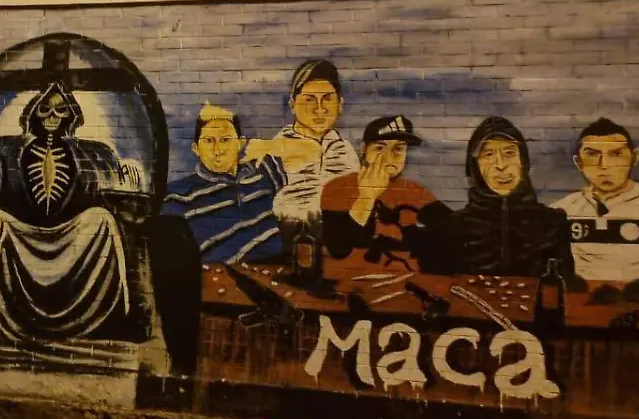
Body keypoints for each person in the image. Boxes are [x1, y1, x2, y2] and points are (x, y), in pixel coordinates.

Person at [0, 81, 148, 341]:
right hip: (23, 235)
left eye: (61, 110)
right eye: (45, 109)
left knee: (102, 219)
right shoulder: (6, 147)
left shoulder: (94, 153)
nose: (52, 116)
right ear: (33, 112)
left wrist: (127, 173)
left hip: (72, 237)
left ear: (71, 115)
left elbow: (116, 187)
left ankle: (122, 317)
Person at [438, 116, 574, 278]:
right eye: (488, 155)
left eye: (509, 153)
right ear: (475, 166)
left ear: (523, 161)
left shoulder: (552, 223)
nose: (501, 165)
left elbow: (566, 286)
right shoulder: (453, 228)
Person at [551, 118, 639, 283]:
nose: (605, 165)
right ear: (578, 162)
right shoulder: (560, 211)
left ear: (634, 157)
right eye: (592, 154)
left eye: (616, 154)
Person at [320, 115, 450, 270]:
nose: (389, 157)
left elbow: (452, 228)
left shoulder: (413, 191)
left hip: (407, 279)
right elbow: (339, 250)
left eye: (399, 148)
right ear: (364, 149)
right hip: (351, 280)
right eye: (380, 148)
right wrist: (367, 197)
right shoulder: (338, 188)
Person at [163, 103, 287, 264]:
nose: (218, 150)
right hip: (223, 275)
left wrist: (269, 146)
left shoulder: (264, 170)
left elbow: (311, 152)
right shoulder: (178, 196)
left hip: (278, 269)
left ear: (241, 143)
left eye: (225, 140)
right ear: (196, 149)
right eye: (209, 141)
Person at [245, 59, 359, 235]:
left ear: (340, 104)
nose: (319, 109)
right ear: (292, 104)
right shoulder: (272, 155)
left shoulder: (346, 152)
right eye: (309, 100)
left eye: (327, 99)